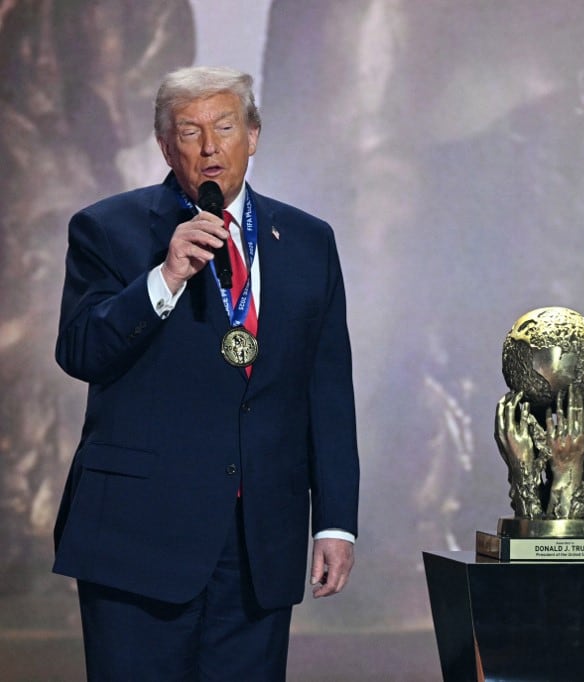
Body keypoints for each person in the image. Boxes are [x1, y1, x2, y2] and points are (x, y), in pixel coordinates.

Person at [53, 66, 359, 680]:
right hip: (139, 540)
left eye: (224, 127)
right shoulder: (107, 229)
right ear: (166, 147)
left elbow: (327, 392)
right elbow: (81, 350)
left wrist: (334, 522)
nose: (210, 147)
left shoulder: (307, 241)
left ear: (254, 135)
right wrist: (163, 279)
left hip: (257, 546)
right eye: (190, 132)